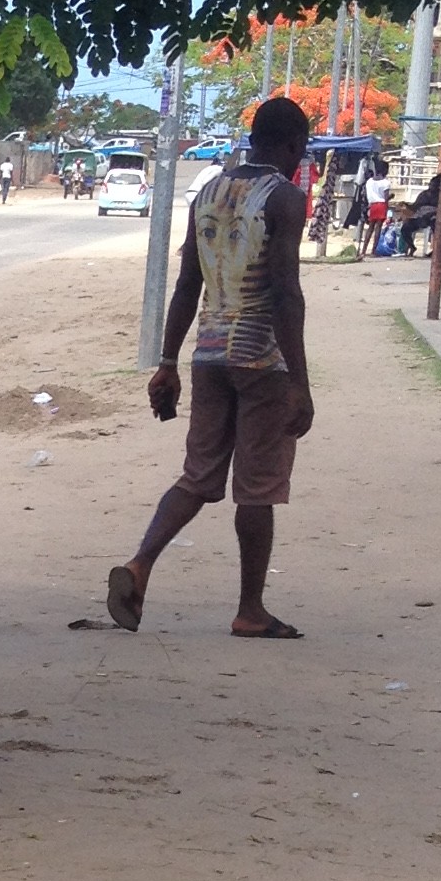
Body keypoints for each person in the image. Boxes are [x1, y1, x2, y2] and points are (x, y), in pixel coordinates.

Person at [94, 95, 316, 639]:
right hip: (262, 357)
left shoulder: (210, 191)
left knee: (198, 477)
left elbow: (188, 281)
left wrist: (167, 360)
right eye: (302, 149)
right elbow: (286, 292)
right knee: (258, 488)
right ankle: (250, 610)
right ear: (292, 146)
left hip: (208, 355)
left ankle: (141, 565)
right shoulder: (285, 198)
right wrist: (301, 383)